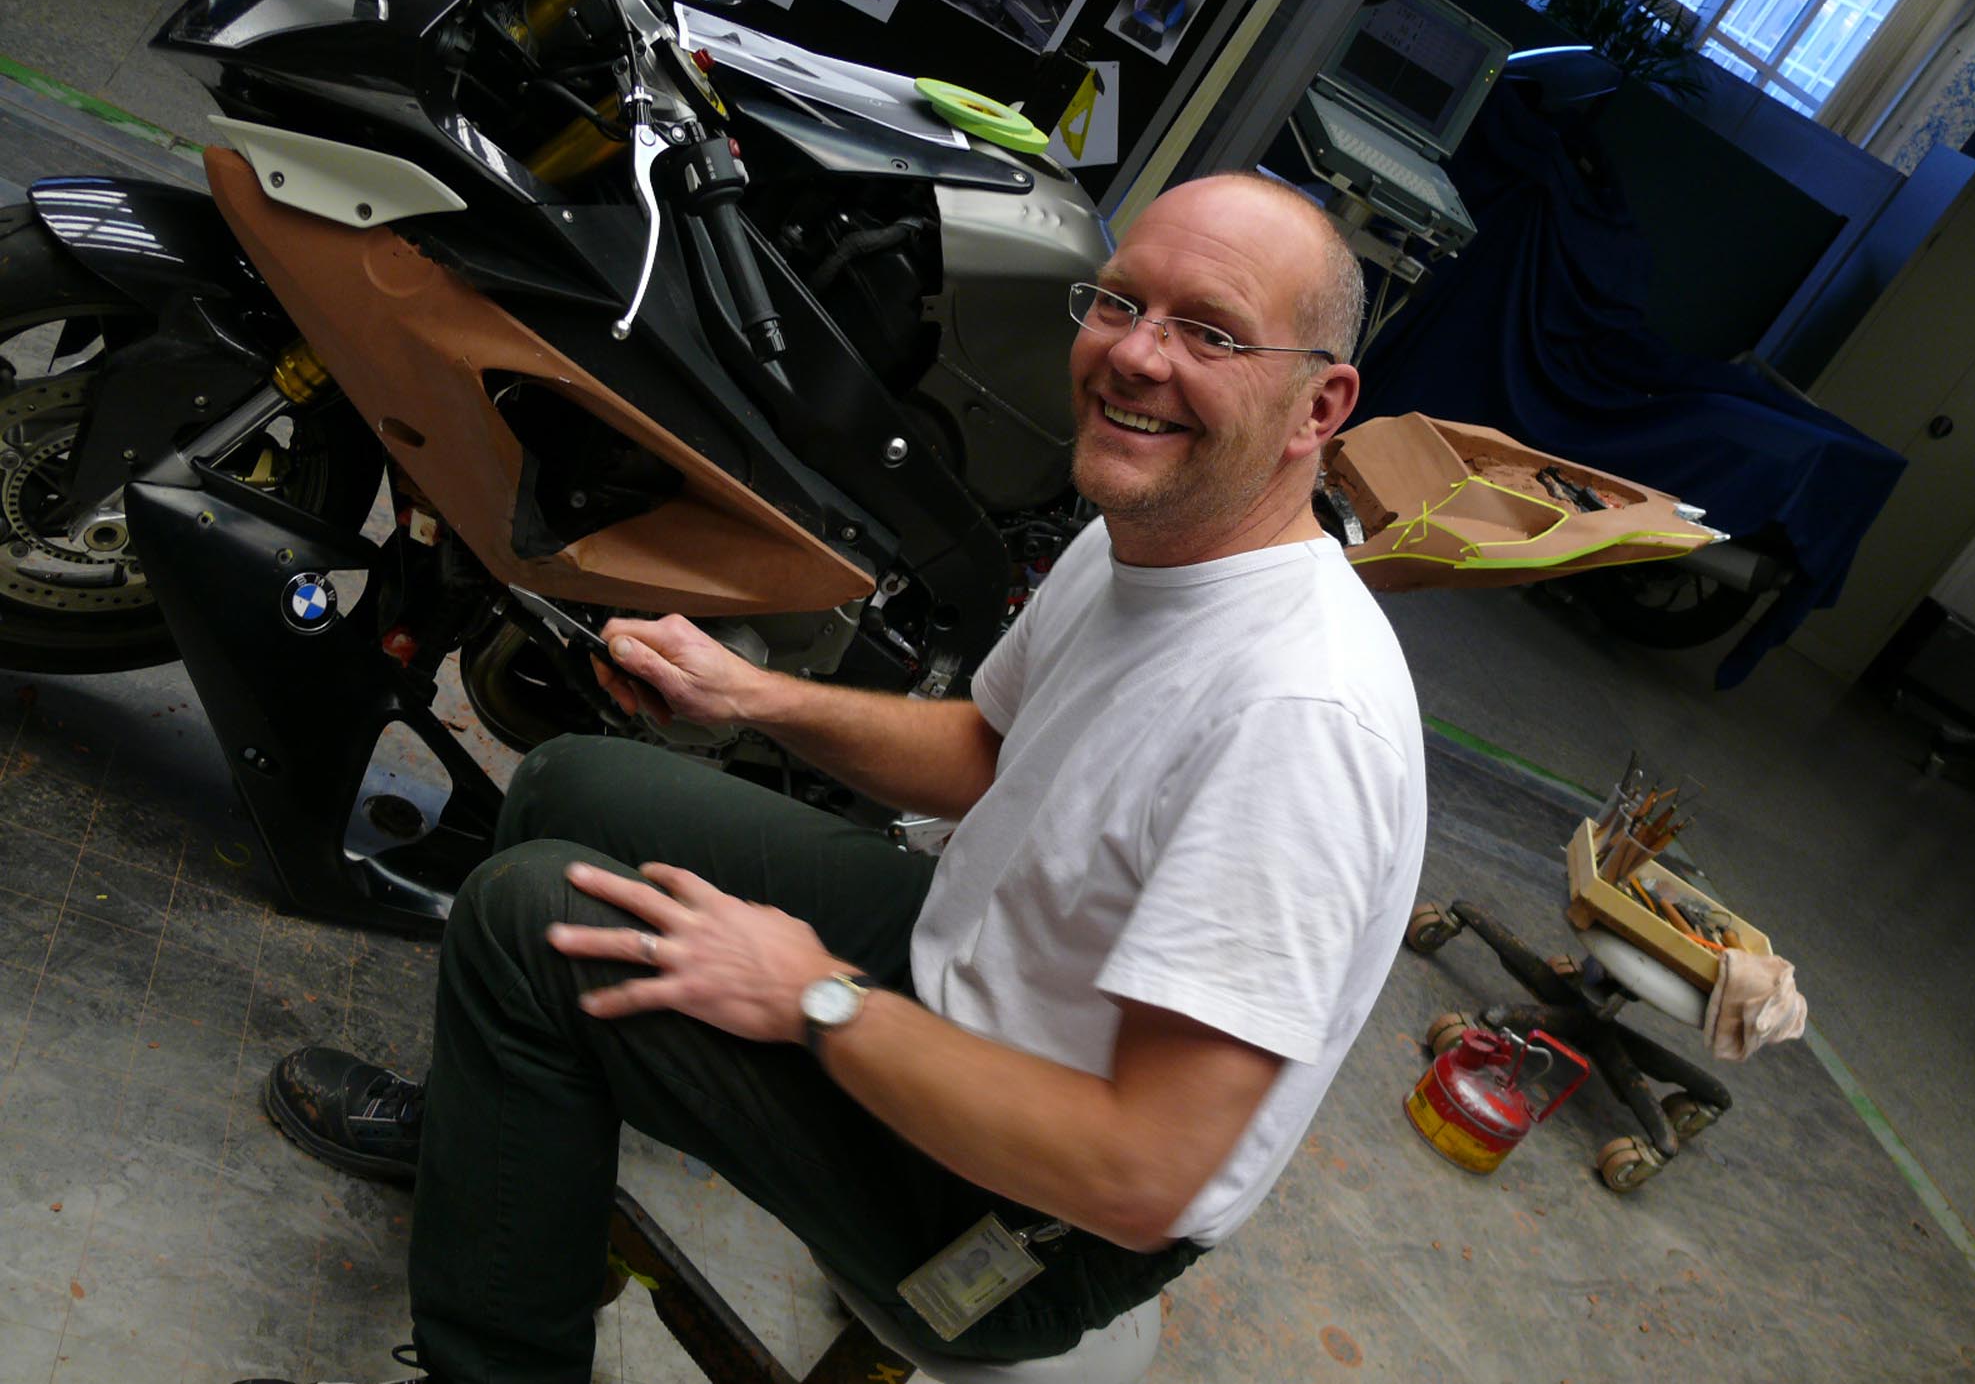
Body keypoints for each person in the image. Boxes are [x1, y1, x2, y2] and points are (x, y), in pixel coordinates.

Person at [245, 171, 1426, 1384]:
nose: (1134, 354)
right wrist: (749, 697)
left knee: (523, 921)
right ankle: (484, 1144)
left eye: (1210, 332)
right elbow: (991, 753)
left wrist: (814, 996)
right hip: (965, 973)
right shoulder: (1150, 535)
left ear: (1317, 405)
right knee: (566, 786)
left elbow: (1139, 1175)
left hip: (1026, 1220)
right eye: (1120, 302)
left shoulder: (1300, 721)